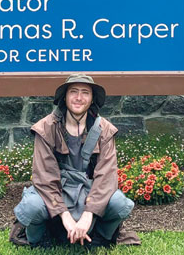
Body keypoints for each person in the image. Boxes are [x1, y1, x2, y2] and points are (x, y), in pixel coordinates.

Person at [11, 74, 139, 249]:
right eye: (74, 92)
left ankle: (101, 237)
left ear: (92, 98)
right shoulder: (46, 127)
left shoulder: (105, 130)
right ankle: (39, 239)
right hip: (56, 190)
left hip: (88, 191)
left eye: (85, 92)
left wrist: (89, 213)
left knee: (119, 203)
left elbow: (106, 178)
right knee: (31, 207)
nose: (79, 98)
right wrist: (64, 215)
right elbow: (45, 177)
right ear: (65, 97)